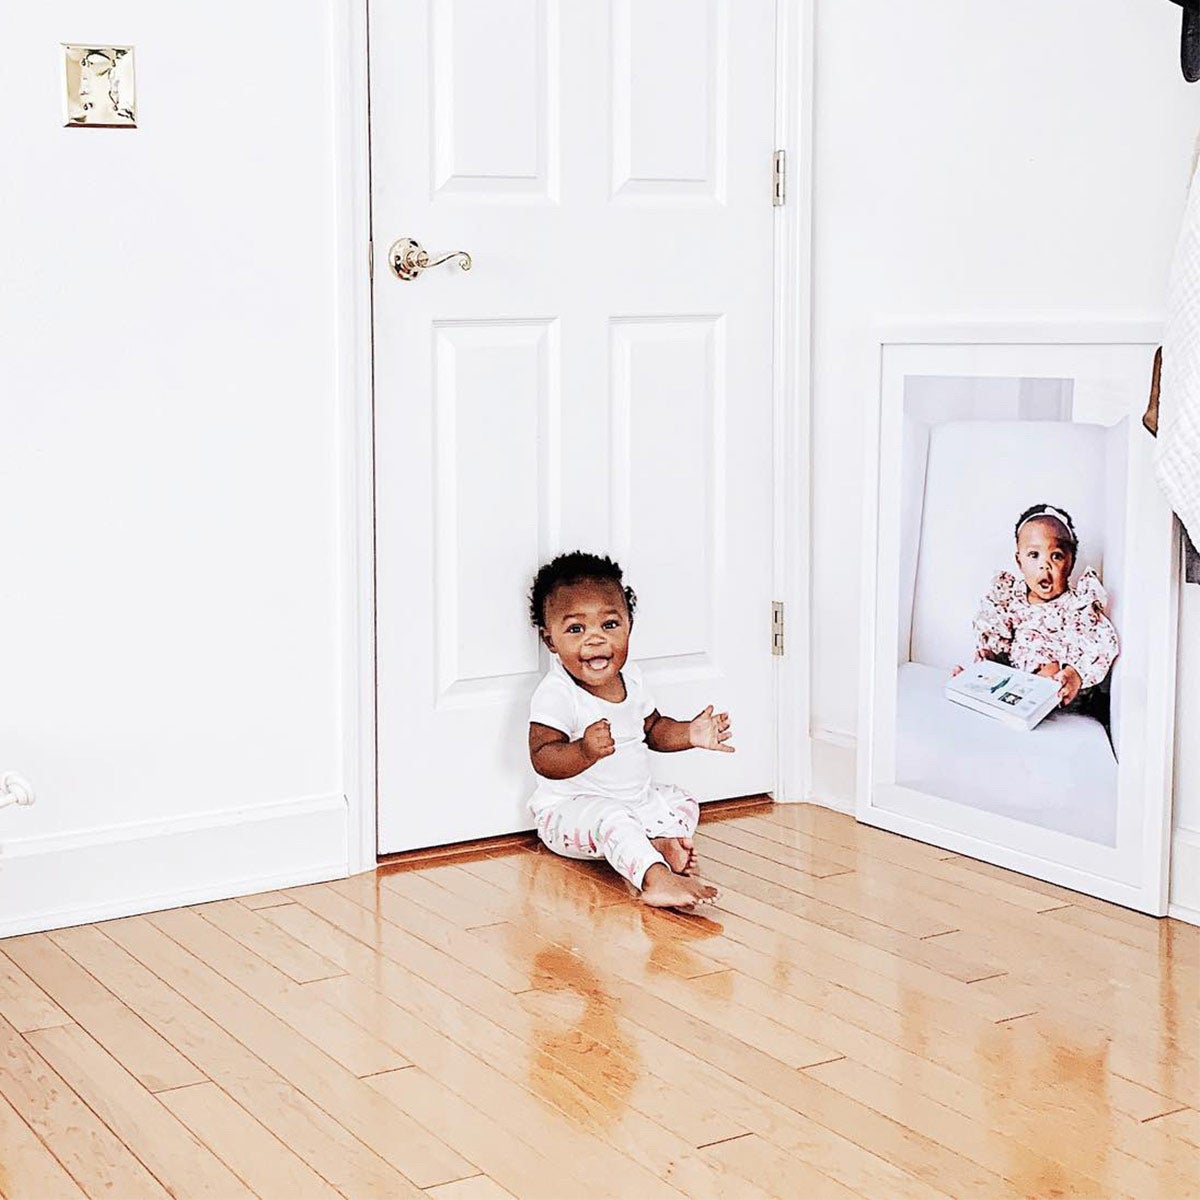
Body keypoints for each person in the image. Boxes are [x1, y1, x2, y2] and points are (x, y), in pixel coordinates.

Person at [526, 551, 730, 911]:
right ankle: (655, 878)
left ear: (629, 626)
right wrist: (584, 751)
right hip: (571, 813)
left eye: (609, 625)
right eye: (576, 629)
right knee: (613, 819)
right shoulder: (557, 693)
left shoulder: (632, 678)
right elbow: (542, 758)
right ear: (550, 641)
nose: (595, 640)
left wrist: (690, 734)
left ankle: (662, 841)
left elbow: (654, 729)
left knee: (681, 798)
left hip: (635, 804)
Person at [952, 504, 1119, 709]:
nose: (1044, 565)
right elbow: (1001, 646)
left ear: (1071, 562)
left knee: (1051, 672)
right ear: (1019, 561)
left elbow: (1101, 643)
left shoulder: (1077, 607)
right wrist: (991, 658)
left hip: (1058, 687)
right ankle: (973, 688)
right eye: (1034, 555)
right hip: (1018, 682)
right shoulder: (1010, 601)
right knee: (989, 672)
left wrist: (1075, 675)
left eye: (1056, 556)